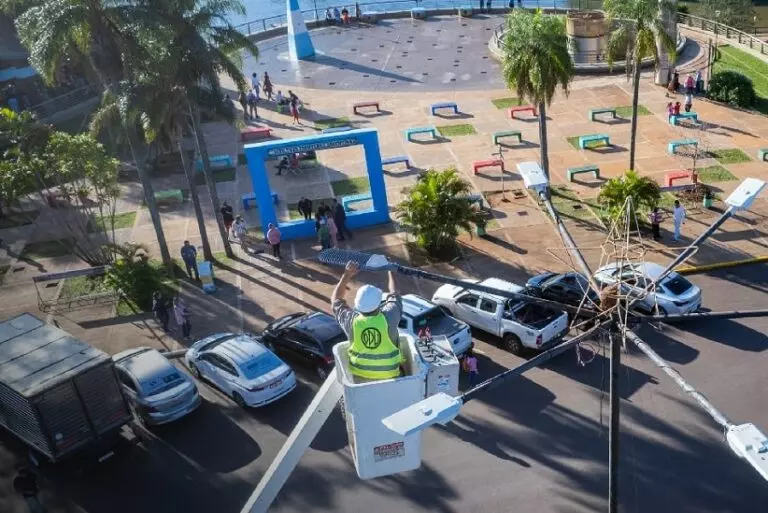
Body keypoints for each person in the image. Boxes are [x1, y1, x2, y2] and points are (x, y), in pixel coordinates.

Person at [331, 261, 404, 382]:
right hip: (390, 376)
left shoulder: (351, 321)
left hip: (360, 378)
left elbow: (336, 300)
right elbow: (394, 294)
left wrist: (346, 275)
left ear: (357, 304)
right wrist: (391, 272)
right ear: (378, 304)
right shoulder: (389, 317)